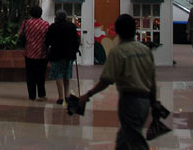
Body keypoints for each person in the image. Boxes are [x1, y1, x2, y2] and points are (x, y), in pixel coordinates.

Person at [80, 14, 157, 150]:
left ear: (118, 32)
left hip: (130, 101)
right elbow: (152, 79)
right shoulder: (145, 50)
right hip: (145, 101)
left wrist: (88, 95)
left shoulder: (118, 52)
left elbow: (106, 80)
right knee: (124, 139)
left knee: (135, 140)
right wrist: (154, 101)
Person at [45, 10, 80, 105]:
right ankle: (67, 95)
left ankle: (60, 97)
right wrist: (76, 49)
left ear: (56, 17)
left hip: (56, 54)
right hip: (69, 54)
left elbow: (48, 40)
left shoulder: (53, 26)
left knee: (58, 75)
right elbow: (76, 40)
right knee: (67, 74)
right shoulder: (71, 26)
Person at [19, 5, 50, 101]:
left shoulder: (26, 23)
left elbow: (20, 34)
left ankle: (31, 95)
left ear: (31, 13)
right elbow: (49, 37)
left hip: (29, 53)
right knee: (41, 75)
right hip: (42, 53)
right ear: (40, 13)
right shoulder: (45, 24)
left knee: (30, 75)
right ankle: (42, 94)